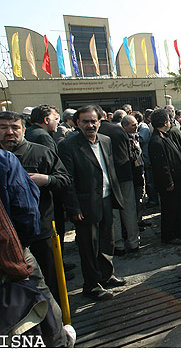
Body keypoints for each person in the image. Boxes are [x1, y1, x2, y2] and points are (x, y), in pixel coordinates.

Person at [0, 150, 75, 347]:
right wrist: (21, 244)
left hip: (17, 248)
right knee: (41, 304)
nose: (9, 132)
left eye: (14, 127)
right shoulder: (5, 160)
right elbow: (25, 209)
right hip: (14, 254)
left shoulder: (35, 152)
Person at [0, 111, 72, 304]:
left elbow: (65, 180)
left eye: (15, 127)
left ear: (24, 130)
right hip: (5, 239)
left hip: (41, 232)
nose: (10, 132)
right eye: (4, 127)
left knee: (49, 283)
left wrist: (47, 179)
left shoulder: (41, 152)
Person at [58, 105, 126, 301]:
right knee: (89, 247)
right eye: (85, 121)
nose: (90, 125)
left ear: (100, 121)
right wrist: (73, 207)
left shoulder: (106, 140)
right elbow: (67, 180)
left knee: (107, 241)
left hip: (106, 199)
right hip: (84, 206)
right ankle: (91, 285)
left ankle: (106, 275)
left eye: (93, 121)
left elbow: (109, 169)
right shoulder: (68, 145)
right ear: (77, 123)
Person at [99, 109, 140, 255]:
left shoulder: (94, 134)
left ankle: (118, 245)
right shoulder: (118, 130)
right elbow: (130, 154)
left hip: (108, 177)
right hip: (124, 175)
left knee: (114, 212)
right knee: (129, 209)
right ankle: (133, 242)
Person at [148, 109, 181, 245]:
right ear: (165, 122)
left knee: (177, 208)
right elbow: (162, 165)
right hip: (169, 184)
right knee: (169, 210)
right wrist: (168, 182)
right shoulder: (156, 141)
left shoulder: (165, 136)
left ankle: (179, 230)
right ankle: (169, 235)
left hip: (177, 180)